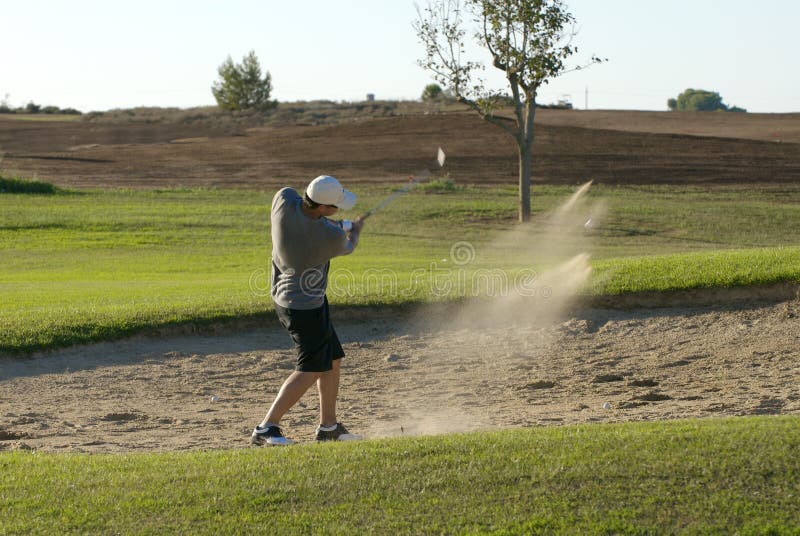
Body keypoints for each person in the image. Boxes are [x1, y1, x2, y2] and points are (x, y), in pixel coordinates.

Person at [251, 175, 365, 446]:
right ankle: (267, 427)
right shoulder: (328, 236)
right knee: (312, 367)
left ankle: (329, 427)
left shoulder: (283, 202)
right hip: (303, 306)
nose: (338, 210)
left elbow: (310, 215)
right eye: (335, 206)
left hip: (290, 297)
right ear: (324, 209)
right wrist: (356, 228)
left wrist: (341, 224)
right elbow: (348, 243)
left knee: (332, 358)